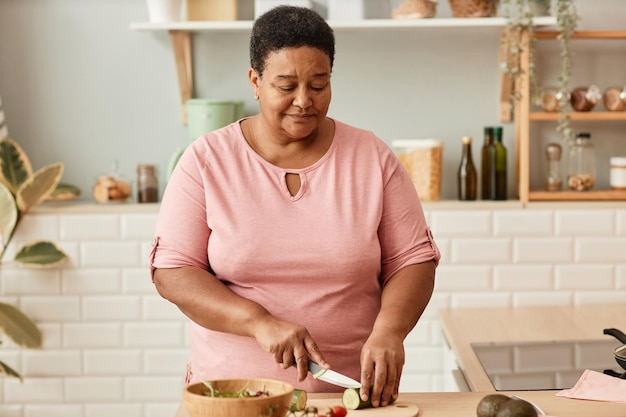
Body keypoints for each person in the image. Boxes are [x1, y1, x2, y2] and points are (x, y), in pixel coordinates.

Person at [150, 5, 440, 408]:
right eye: (286, 86)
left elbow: (414, 260)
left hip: (347, 398)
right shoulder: (206, 160)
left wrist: (390, 330)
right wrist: (258, 322)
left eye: (318, 85)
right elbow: (173, 273)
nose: (304, 101)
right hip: (235, 398)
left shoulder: (371, 157)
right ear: (255, 81)